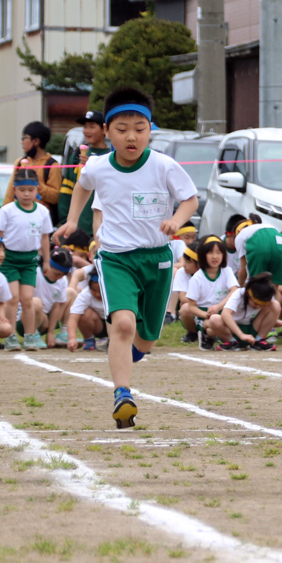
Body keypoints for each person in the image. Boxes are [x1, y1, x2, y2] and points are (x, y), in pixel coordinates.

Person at [54, 87, 198, 427]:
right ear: (107, 131)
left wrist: (177, 220)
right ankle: (122, 394)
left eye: (139, 128)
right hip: (116, 258)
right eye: (121, 129)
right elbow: (82, 186)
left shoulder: (165, 165)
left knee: (146, 339)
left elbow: (190, 199)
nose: (131, 136)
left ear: (151, 130)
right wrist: (74, 219)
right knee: (122, 324)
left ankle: (125, 359)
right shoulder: (98, 166)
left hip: (158, 260)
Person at [0, 167, 53, 352]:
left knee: (27, 299)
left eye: (31, 190)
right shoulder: (7, 210)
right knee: (12, 298)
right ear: (14, 190)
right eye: (22, 190)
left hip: (30, 260)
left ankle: (29, 337)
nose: (27, 194)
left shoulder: (42, 211)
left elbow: (44, 237)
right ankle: (10, 336)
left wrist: (46, 261)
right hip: (9, 259)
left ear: (37, 190)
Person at [58, 110, 111, 232]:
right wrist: (65, 220)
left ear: (104, 130)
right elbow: (67, 188)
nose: (87, 131)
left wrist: (92, 167)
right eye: (85, 127)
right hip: (77, 227)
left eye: (92, 127)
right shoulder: (77, 155)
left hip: (102, 227)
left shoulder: (111, 157)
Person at [185, 236, 240, 350]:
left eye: (218, 252)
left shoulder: (227, 271)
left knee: (216, 325)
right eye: (210, 252)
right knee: (215, 321)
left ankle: (209, 334)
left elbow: (234, 290)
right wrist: (206, 315)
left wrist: (219, 306)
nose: (215, 256)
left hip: (225, 309)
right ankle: (233, 341)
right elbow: (191, 307)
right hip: (204, 314)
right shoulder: (197, 278)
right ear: (202, 255)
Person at [2, 122, 62, 222]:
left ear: (36, 141)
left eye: (24, 138)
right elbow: (10, 193)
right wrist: (3, 215)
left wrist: (35, 182)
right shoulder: (20, 162)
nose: (22, 142)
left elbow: (55, 197)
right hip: (17, 218)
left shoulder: (51, 165)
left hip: (40, 220)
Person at [209, 272, 281, 351]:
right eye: (255, 303)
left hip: (252, 331)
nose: (258, 307)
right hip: (232, 331)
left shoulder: (267, 297)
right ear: (248, 294)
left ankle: (259, 341)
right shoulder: (239, 293)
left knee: (275, 305)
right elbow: (225, 314)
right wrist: (241, 335)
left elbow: (268, 319)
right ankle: (232, 343)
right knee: (214, 319)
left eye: (262, 305)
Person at [31, 247, 74, 348]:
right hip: (27, 317)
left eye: (62, 275)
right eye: (56, 274)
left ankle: (63, 333)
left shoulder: (62, 280)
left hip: (46, 319)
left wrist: (50, 333)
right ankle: (32, 335)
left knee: (71, 293)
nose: (58, 278)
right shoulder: (35, 273)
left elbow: (56, 306)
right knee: (35, 302)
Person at [66, 271, 107, 352]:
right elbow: (73, 318)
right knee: (84, 313)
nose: (97, 294)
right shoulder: (85, 294)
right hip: (98, 325)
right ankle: (89, 340)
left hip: (115, 324)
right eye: (94, 290)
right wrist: (72, 338)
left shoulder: (116, 294)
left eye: (100, 290)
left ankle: (114, 340)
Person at [172, 239, 201, 344]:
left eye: (188, 262)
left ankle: (212, 334)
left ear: (199, 263)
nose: (184, 265)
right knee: (185, 308)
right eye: (184, 261)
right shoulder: (182, 272)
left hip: (211, 308)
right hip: (197, 306)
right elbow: (183, 298)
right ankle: (192, 333)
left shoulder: (211, 273)